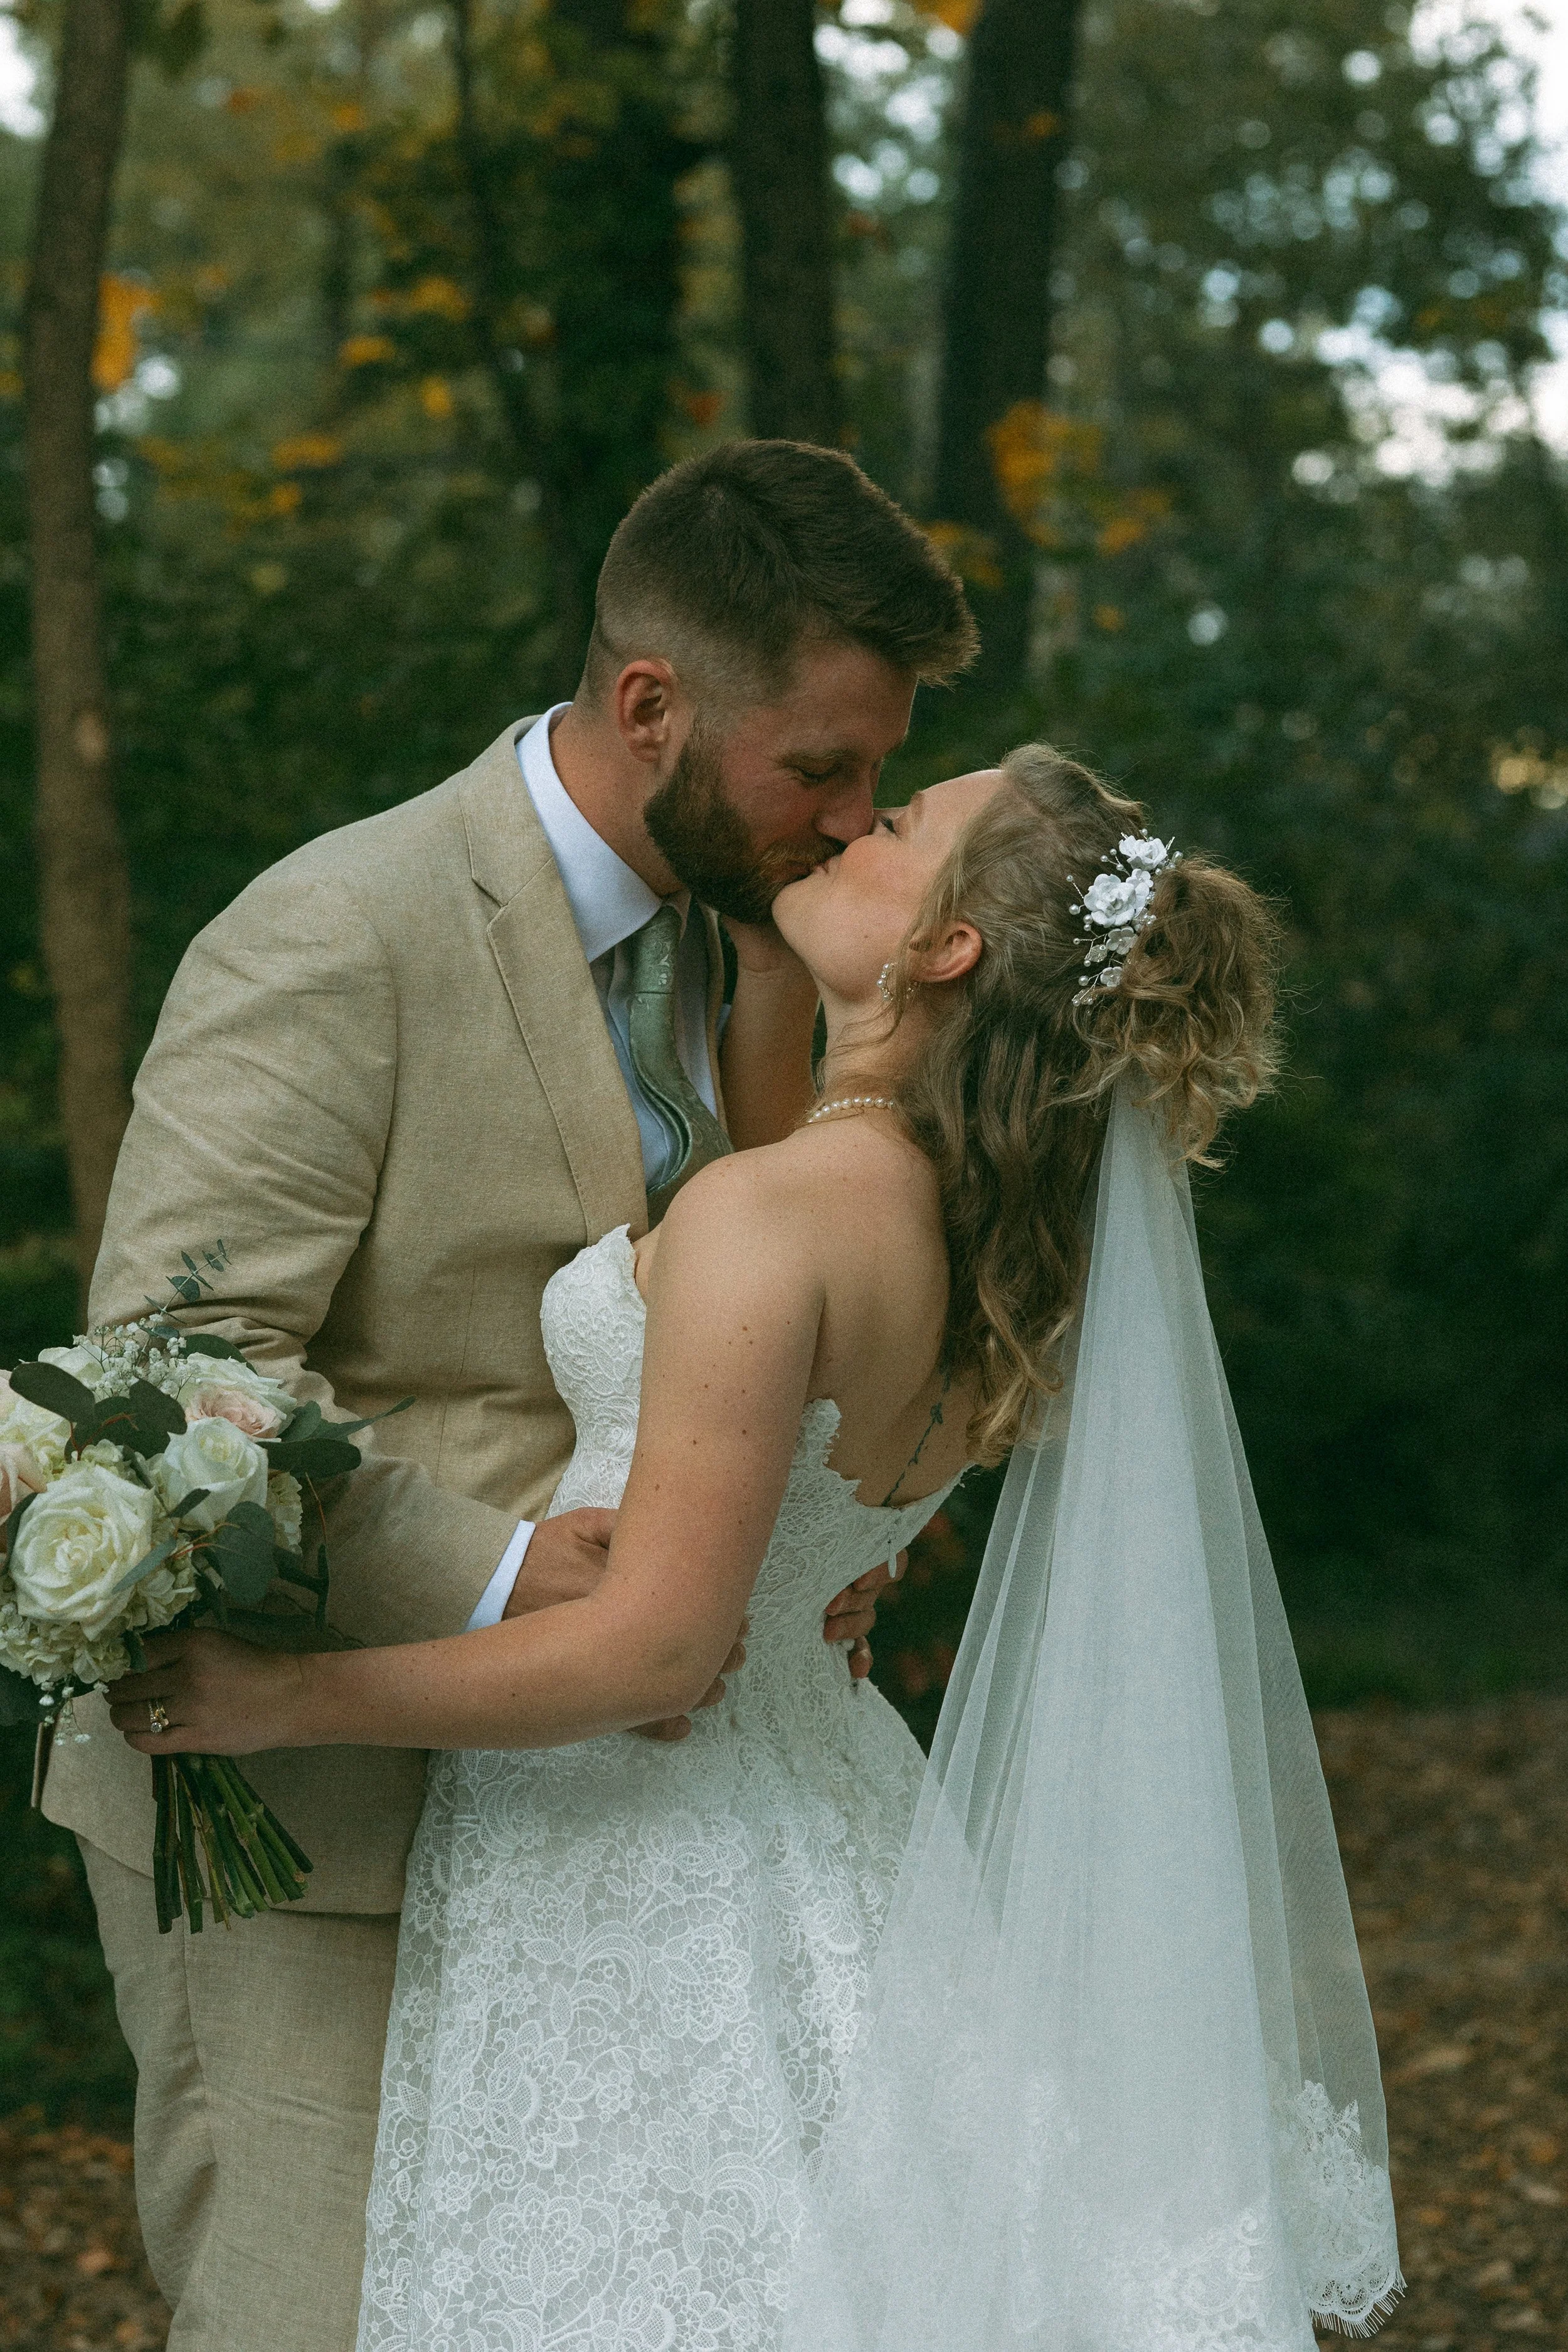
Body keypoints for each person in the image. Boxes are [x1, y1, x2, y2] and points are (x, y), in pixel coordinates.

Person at [112, 746, 1400, 2347]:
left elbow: (657, 1648)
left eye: (909, 819)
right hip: (828, 1813)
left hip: (635, 1854)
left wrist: (278, 1699)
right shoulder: (1002, 1251)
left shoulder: (771, 1217)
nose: (865, 818)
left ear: (943, 949)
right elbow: (813, 1520)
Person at [46, 438, 978, 2352]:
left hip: (647, 1849)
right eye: (817, 765)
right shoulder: (342, 931)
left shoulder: (781, 956)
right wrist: (491, 1574)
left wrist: (814, 1526)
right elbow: (168, 1368)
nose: (848, 818)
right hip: (321, 1813)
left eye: (875, 773)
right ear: (653, 702)